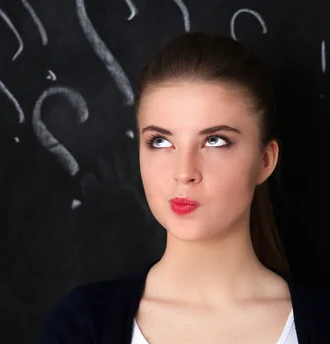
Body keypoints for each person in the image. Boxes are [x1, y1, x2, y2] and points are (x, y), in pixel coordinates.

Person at [39, 32, 329, 343]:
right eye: (160, 142)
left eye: (215, 141)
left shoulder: (321, 323)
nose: (184, 172)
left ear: (265, 161)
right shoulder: (83, 324)